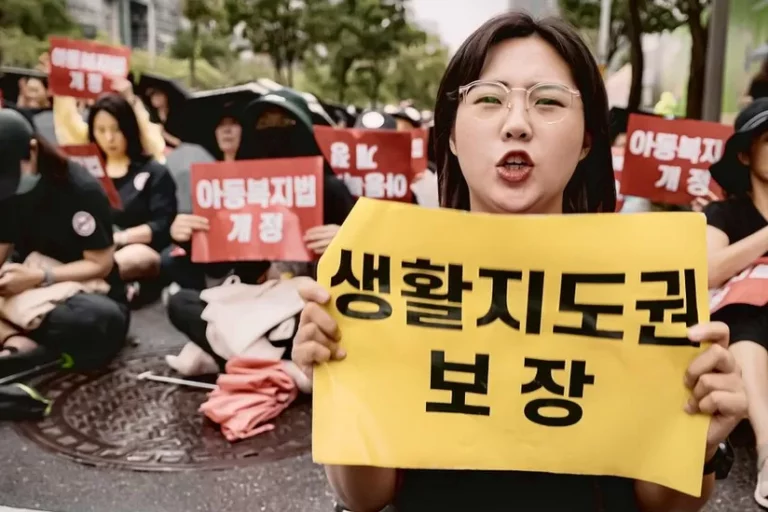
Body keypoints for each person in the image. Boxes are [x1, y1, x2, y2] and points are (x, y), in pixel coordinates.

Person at [292, 13, 747, 512]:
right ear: (450, 134)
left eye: (548, 101)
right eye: (489, 99)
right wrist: (340, 386)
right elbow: (365, 497)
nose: (516, 124)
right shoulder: (388, 280)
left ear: (587, 139)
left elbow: (666, 505)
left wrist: (699, 442)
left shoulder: (648, 288)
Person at [165, 89, 356, 372]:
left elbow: (364, 268)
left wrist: (345, 240)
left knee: (323, 321)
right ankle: (276, 364)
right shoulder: (235, 189)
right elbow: (219, 268)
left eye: (284, 123)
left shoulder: (331, 189)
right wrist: (189, 237)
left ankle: (231, 355)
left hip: (307, 305)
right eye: (263, 124)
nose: (273, 132)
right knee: (180, 303)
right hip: (252, 303)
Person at [0, 109, 129, 376]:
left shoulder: (79, 190)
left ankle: (18, 336)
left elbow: (100, 263)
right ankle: (15, 339)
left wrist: (40, 277)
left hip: (81, 290)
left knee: (96, 320)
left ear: (33, 150)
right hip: (24, 285)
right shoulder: (7, 193)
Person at [55, 80, 177, 303]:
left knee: (134, 257)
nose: (109, 138)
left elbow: (162, 225)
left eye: (116, 129)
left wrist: (120, 238)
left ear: (128, 128)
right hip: (88, 251)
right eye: (101, 130)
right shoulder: (87, 171)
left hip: (131, 253)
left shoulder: (154, 171)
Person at [705, 98, 768, 508]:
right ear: (745, 155)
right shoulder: (724, 214)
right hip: (745, 334)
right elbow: (707, 270)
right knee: (745, 317)